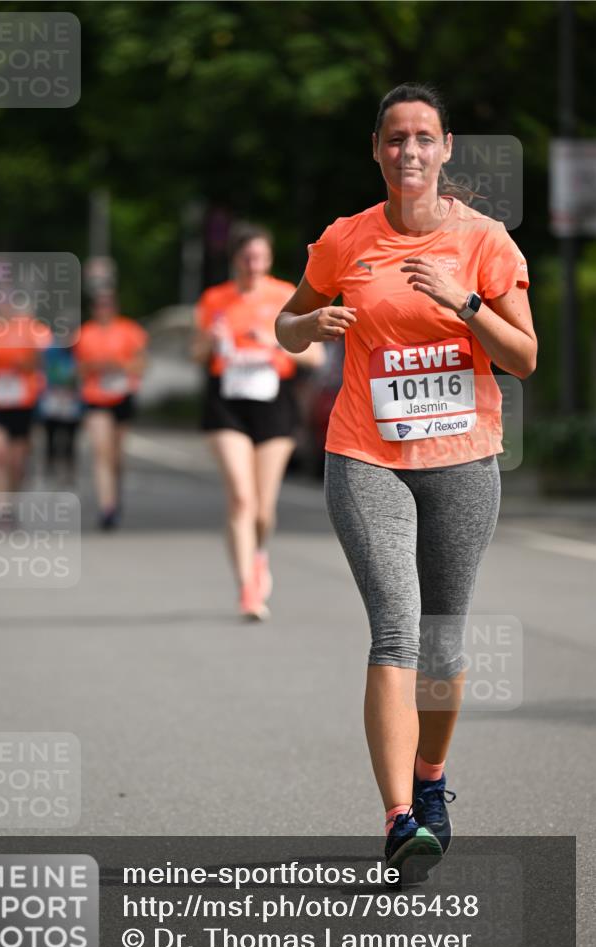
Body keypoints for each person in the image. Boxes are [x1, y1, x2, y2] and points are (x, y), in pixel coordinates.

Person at [276, 83, 536, 871]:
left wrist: (463, 303)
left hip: (461, 459)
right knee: (395, 627)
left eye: (423, 137)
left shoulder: (485, 241)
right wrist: (309, 325)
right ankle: (398, 820)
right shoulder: (344, 240)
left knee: (441, 639)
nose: (409, 152)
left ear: (446, 147)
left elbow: (522, 357)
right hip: (366, 455)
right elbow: (285, 327)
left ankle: (430, 781)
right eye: (394, 138)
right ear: (377, 150)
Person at [193, 224, 325, 621]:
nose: (253, 265)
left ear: (268, 260)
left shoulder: (284, 294)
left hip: (274, 402)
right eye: (247, 257)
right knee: (240, 498)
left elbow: (315, 358)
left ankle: (259, 553)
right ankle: (248, 588)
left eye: (260, 257)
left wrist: (273, 342)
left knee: (263, 509)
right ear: (235, 259)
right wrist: (213, 340)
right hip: (227, 402)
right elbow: (196, 352)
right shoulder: (215, 299)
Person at [73, 292, 148, 530]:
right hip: (95, 396)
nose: (102, 309)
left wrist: (120, 365)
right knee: (101, 451)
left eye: (107, 305)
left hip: (122, 395)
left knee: (115, 455)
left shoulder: (129, 330)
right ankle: (107, 507)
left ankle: (115, 494)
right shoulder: (84, 333)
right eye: (98, 305)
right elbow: (76, 369)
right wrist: (94, 366)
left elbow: (142, 365)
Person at [0, 294, 51, 504]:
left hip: (22, 402)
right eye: (0, 303)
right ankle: (1, 508)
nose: (5, 308)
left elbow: (41, 358)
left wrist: (23, 362)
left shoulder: (30, 328)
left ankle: (12, 500)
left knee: (17, 461)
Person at [38, 338, 82, 486]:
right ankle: (50, 467)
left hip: (72, 402)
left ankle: (69, 471)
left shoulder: (80, 351)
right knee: (51, 436)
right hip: (53, 399)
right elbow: (44, 371)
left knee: (70, 438)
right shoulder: (51, 350)